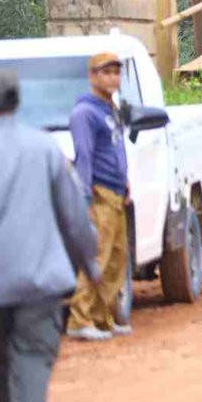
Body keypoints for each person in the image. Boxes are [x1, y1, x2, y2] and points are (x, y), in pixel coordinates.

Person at [0, 68, 101, 402]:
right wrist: (90, 263)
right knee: (32, 356)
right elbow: (74, 218)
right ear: (16, 102)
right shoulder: (44, 150)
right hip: (39, 284)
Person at [65, 53, 130, 344]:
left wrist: (125, 180)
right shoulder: (85, 113)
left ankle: (103, 319)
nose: (113, 78)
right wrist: (85, 197)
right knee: (97, 257)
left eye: (116, 72)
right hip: (99, 193)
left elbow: (114, 150)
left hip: (116, 192)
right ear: (92, 76)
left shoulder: (109, 108)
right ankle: (79, 319)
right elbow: (85, 156)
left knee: (116, 260)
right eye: (106, 72)